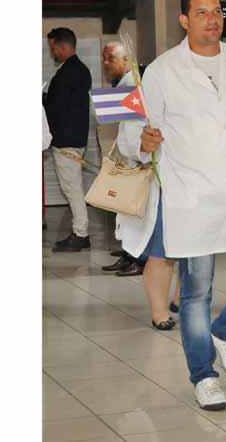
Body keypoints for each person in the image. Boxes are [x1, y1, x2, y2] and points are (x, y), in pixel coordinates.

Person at [116, 0, 226, 411]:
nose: (212, 19)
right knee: (197, 291)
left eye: (217, 11)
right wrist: (142, 142)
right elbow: (133, 131)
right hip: (192, 193)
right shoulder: (163, 70)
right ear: (184, 20)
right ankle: (204, 376)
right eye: (201, 12)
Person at [99, 42, 150, 278]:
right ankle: (129, 255)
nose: (105, 63)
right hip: (129, 159)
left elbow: (144, 124)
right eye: (104, 58)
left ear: (126, 60)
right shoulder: (124, 84)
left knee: (139, 214)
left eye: (110, 58)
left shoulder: (137, 84)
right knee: (126, 213)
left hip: (140, 160)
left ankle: (140, 259)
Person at [45, 27, 93, 252]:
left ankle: (80, 234)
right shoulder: (78, 69)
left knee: (72, 189)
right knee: (74, 187)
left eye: (53, 48)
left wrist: (42, 101)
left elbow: (58, 107)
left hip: (67, 140)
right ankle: (81, 233)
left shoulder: (69, 72)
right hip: (74, 137)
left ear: (63, 46)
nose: (52, 52)